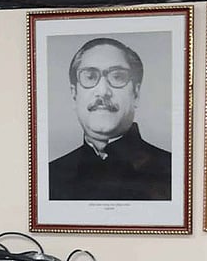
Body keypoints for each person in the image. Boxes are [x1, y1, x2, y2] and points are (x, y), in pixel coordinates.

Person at [48, 37, 172, 201]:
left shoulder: (171, 171)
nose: (103, 91)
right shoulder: (51, 175)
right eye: (90, 77)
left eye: (117, 77)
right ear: (74, 94)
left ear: (136, 93)